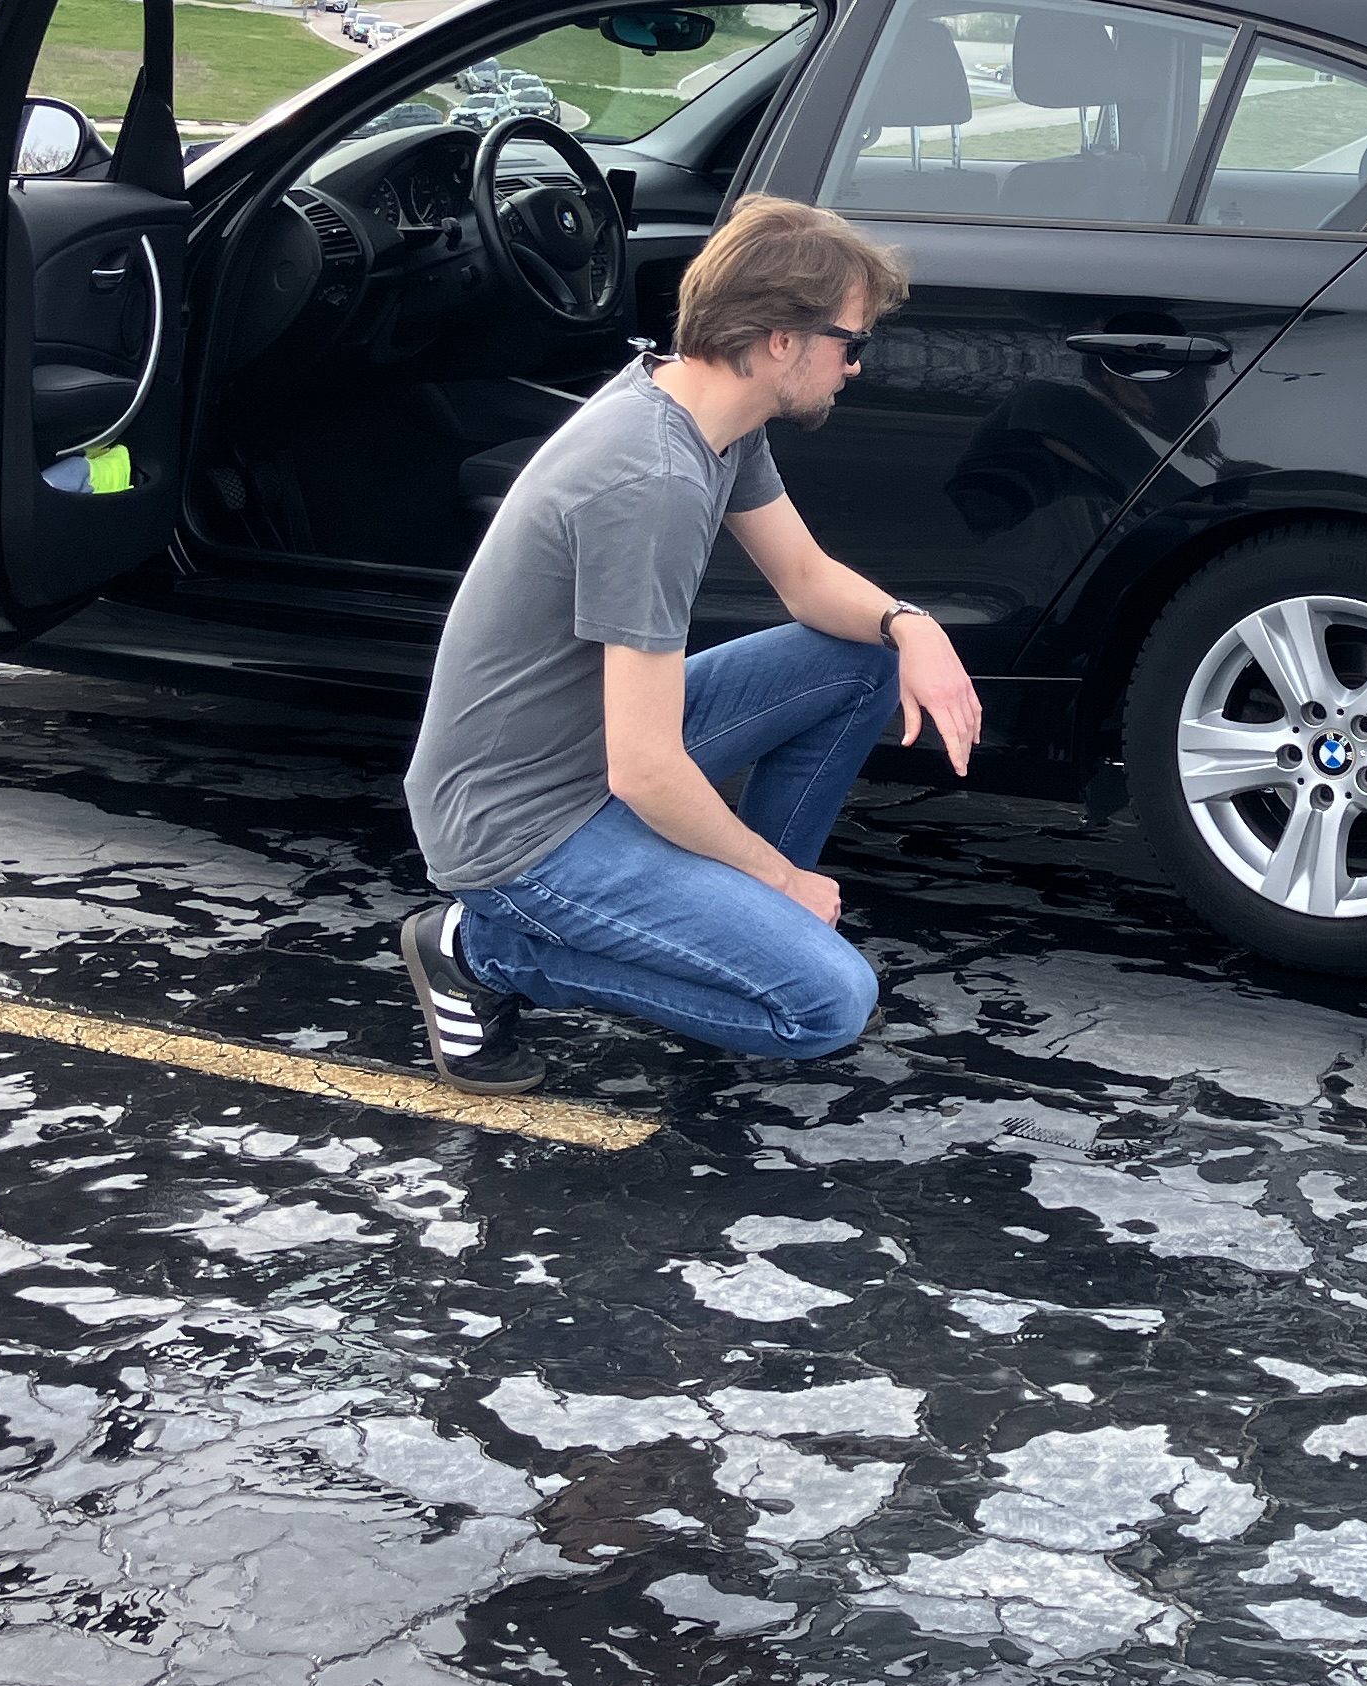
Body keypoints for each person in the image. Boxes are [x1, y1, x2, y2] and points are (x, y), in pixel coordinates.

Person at [394, 194, 982, 1090]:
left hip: (581, 755)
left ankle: (735, 929)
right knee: (824, 1007)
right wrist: (779, 881)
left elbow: (806, 580)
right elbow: (646, 770)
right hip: (520, 828)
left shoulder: (707, 412)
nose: (856, 366)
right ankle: (479, 952)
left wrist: (913, 626)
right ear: (781, 340)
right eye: (851, 342)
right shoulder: (652, 481)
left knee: (863, 660)